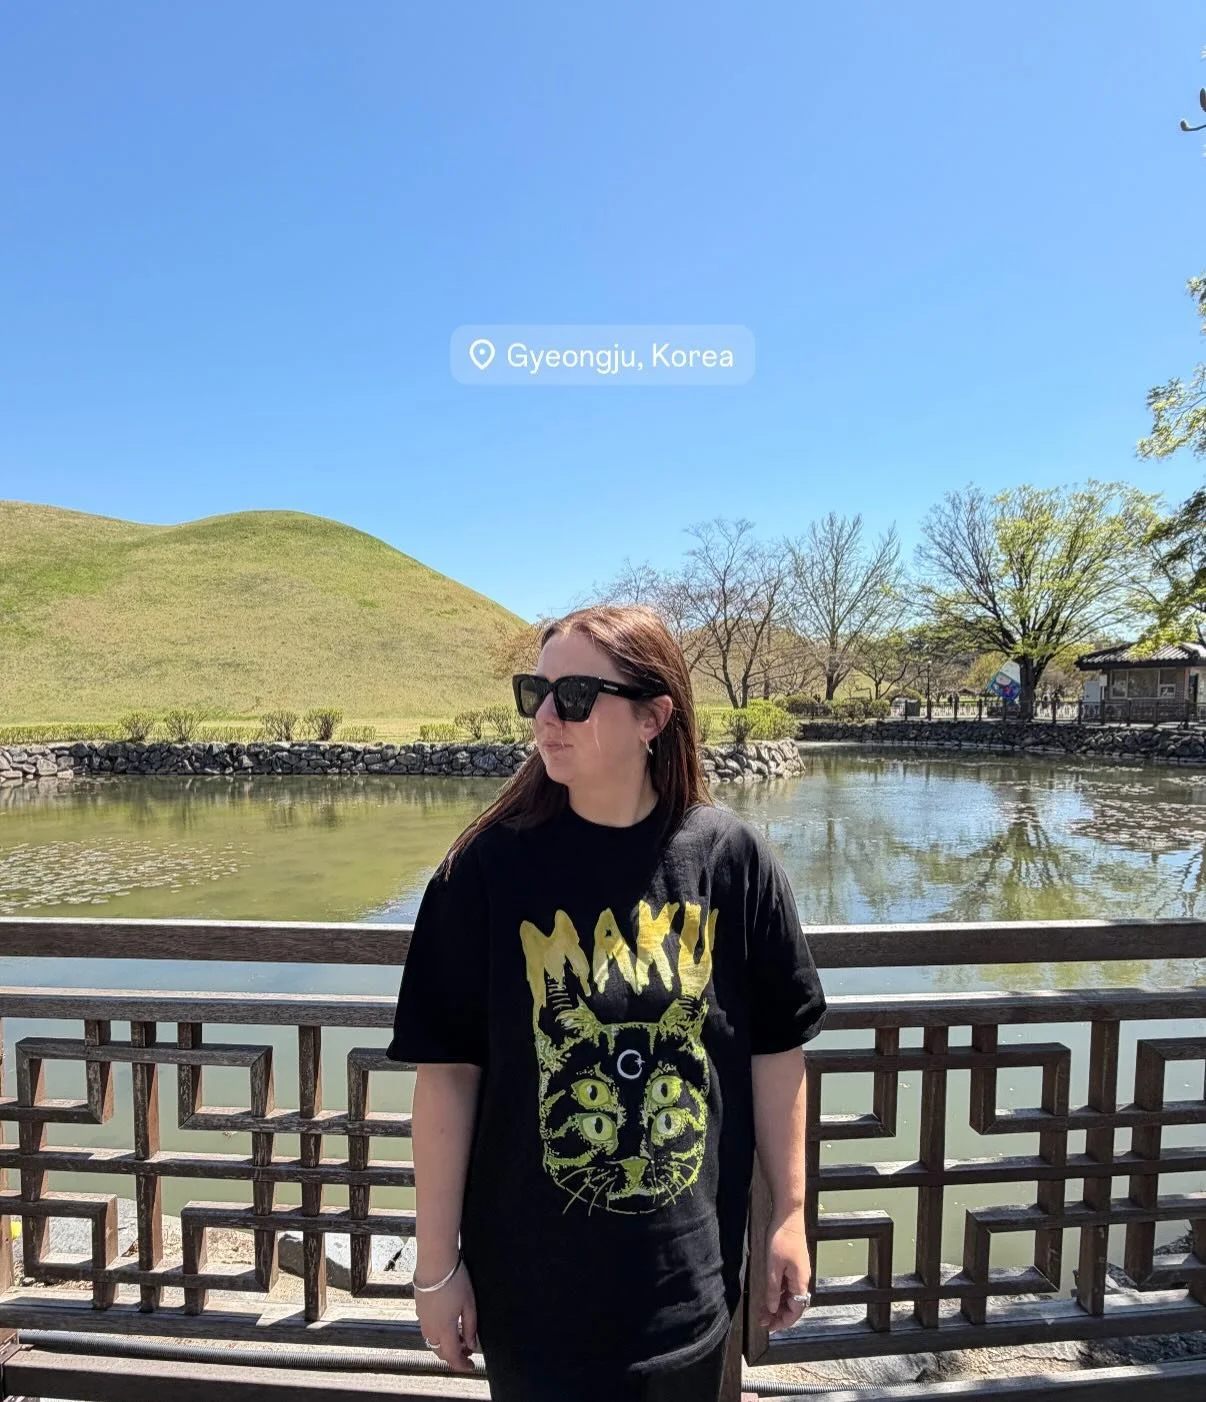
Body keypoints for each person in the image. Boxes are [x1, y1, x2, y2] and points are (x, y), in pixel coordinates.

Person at [386, 604, 828, 1402]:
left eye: (578, 695)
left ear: (653, 717)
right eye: (537, 692)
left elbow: (777, 1050)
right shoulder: (482, 873)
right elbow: (445, 1079)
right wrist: (435, 1267)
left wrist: (790, 1214)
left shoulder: (731, 860)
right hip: (532, 1296)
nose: (546, 717)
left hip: (688, 1285)